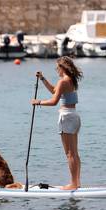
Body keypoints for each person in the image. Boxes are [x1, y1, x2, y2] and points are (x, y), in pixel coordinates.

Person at [31, 56, 83, 190]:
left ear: (62, 67)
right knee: (75, 153)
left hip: (66, 117)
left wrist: (38, 102)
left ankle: (73, 184)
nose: (56, 71)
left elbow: (54, 101)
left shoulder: (63, 81)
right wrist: (43, 79)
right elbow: (55, 91)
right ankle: (77, 182)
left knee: (69, 154)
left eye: (57, 68)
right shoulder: (71, 80)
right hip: (74, 116)